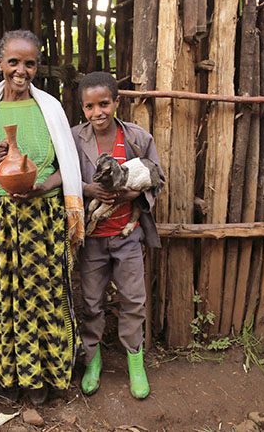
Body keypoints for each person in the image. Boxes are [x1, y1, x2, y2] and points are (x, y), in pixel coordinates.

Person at [0, 30, 85, 405]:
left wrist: (44, 187)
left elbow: (69, 168)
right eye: (13, 62)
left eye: (29, 63)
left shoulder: (51, 110)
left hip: (42, 219)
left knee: (44, 294)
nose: (21, 70)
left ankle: (43, 380)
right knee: (3, 298)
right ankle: (9, 380)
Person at [71, 72, 165, 399]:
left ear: (117, 102)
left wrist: (134, 195)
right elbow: (64, 177)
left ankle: (135, 363)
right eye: (89, 106)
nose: (97, 112)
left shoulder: (138, 138)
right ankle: (92, 361)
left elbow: (157, 177)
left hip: (128, 236)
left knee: (133, 300)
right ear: (82, 108)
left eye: (104, 104)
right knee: (92, 301)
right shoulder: (73, 139)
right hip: (92, 237)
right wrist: (87, 188)